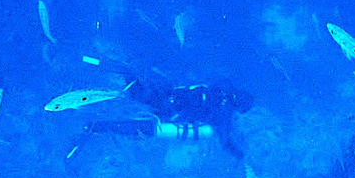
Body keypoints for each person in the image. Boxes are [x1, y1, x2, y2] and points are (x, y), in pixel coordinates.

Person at [77, 65, 253, 158]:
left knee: (137, 91)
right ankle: (96, 126)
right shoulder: (225, 112)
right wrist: (240, 155)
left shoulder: (221, 87)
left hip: (170, 97)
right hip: (171, 115)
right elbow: (224, 140)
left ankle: (95, 61)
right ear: (239, 108)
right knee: (135, 127)